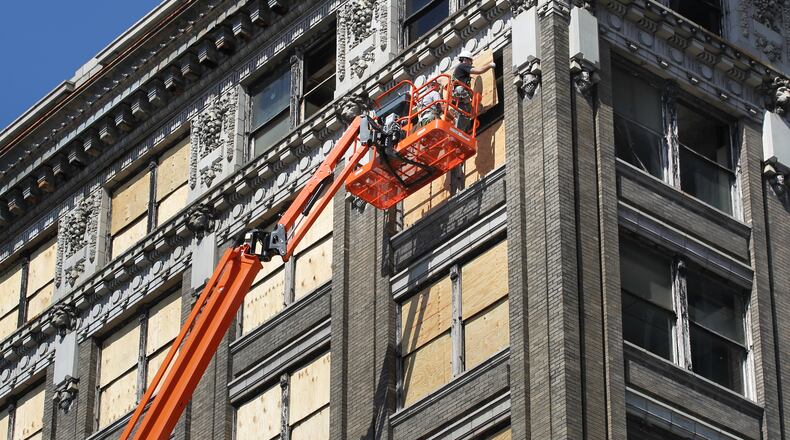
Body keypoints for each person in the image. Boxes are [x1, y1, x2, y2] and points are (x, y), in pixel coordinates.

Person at [452, 50, 495, 131]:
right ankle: (457, 133)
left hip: (459, 97)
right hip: (460, 93)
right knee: (465, 113)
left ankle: (459, 132)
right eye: (471, 62)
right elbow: (479, 71)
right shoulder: (463, 66)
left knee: (465, 114)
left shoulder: (460, 72)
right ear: (467, 60)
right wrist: (490, 65)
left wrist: (480, 106)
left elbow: (471, 94)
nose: (471, 64)